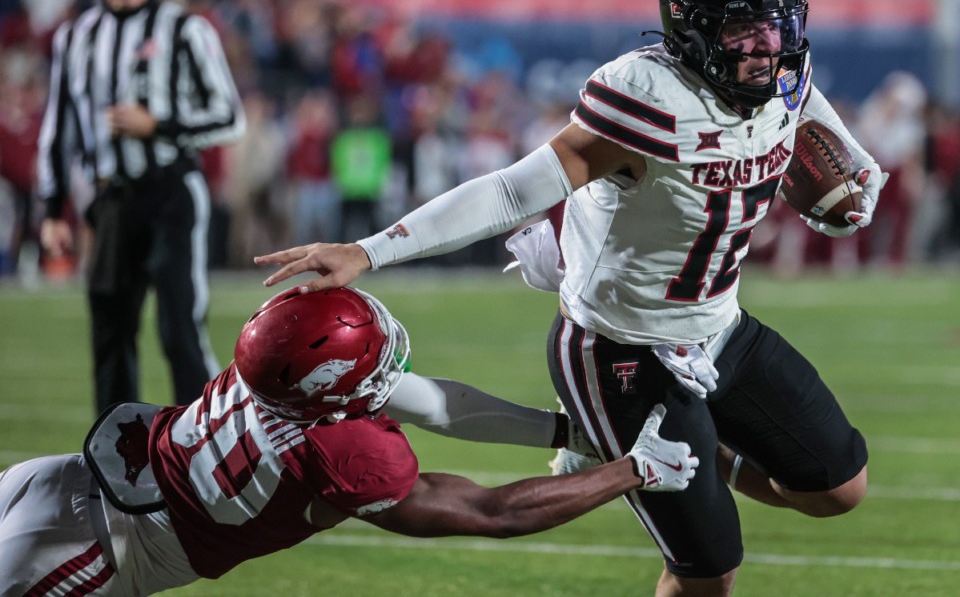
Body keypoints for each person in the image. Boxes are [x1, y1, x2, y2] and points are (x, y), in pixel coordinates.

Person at [255, 0, 885, 597]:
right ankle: (639, 436)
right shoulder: (646, 98)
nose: (766, 49)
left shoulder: (783, 70)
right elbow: (507, 190)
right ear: (693, 33)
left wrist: (855, 166)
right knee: (710, 573)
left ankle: (708, 454)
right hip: (621, 349)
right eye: (742, 31)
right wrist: (368, 250)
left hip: (719, 325)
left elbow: (804, 101)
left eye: (776, 27)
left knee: (837, 488)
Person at [0, 286, 698, 595]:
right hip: (90, 552)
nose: (389, 370)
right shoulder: (339, 451)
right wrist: (634, 468)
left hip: (51, 478)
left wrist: (565, 429)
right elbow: (494, 512)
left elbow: (434, 401)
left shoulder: (278, 357)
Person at [36, 0, 245, 412]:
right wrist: (50, 208)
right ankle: (116, 464)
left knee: (179, 328)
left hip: (171, 189)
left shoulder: (186, 29)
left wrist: (160, 125)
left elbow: (229, 116)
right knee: (110, 331)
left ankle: (201, 451)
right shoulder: (77, 36)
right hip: (110, 198)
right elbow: (59, 126)